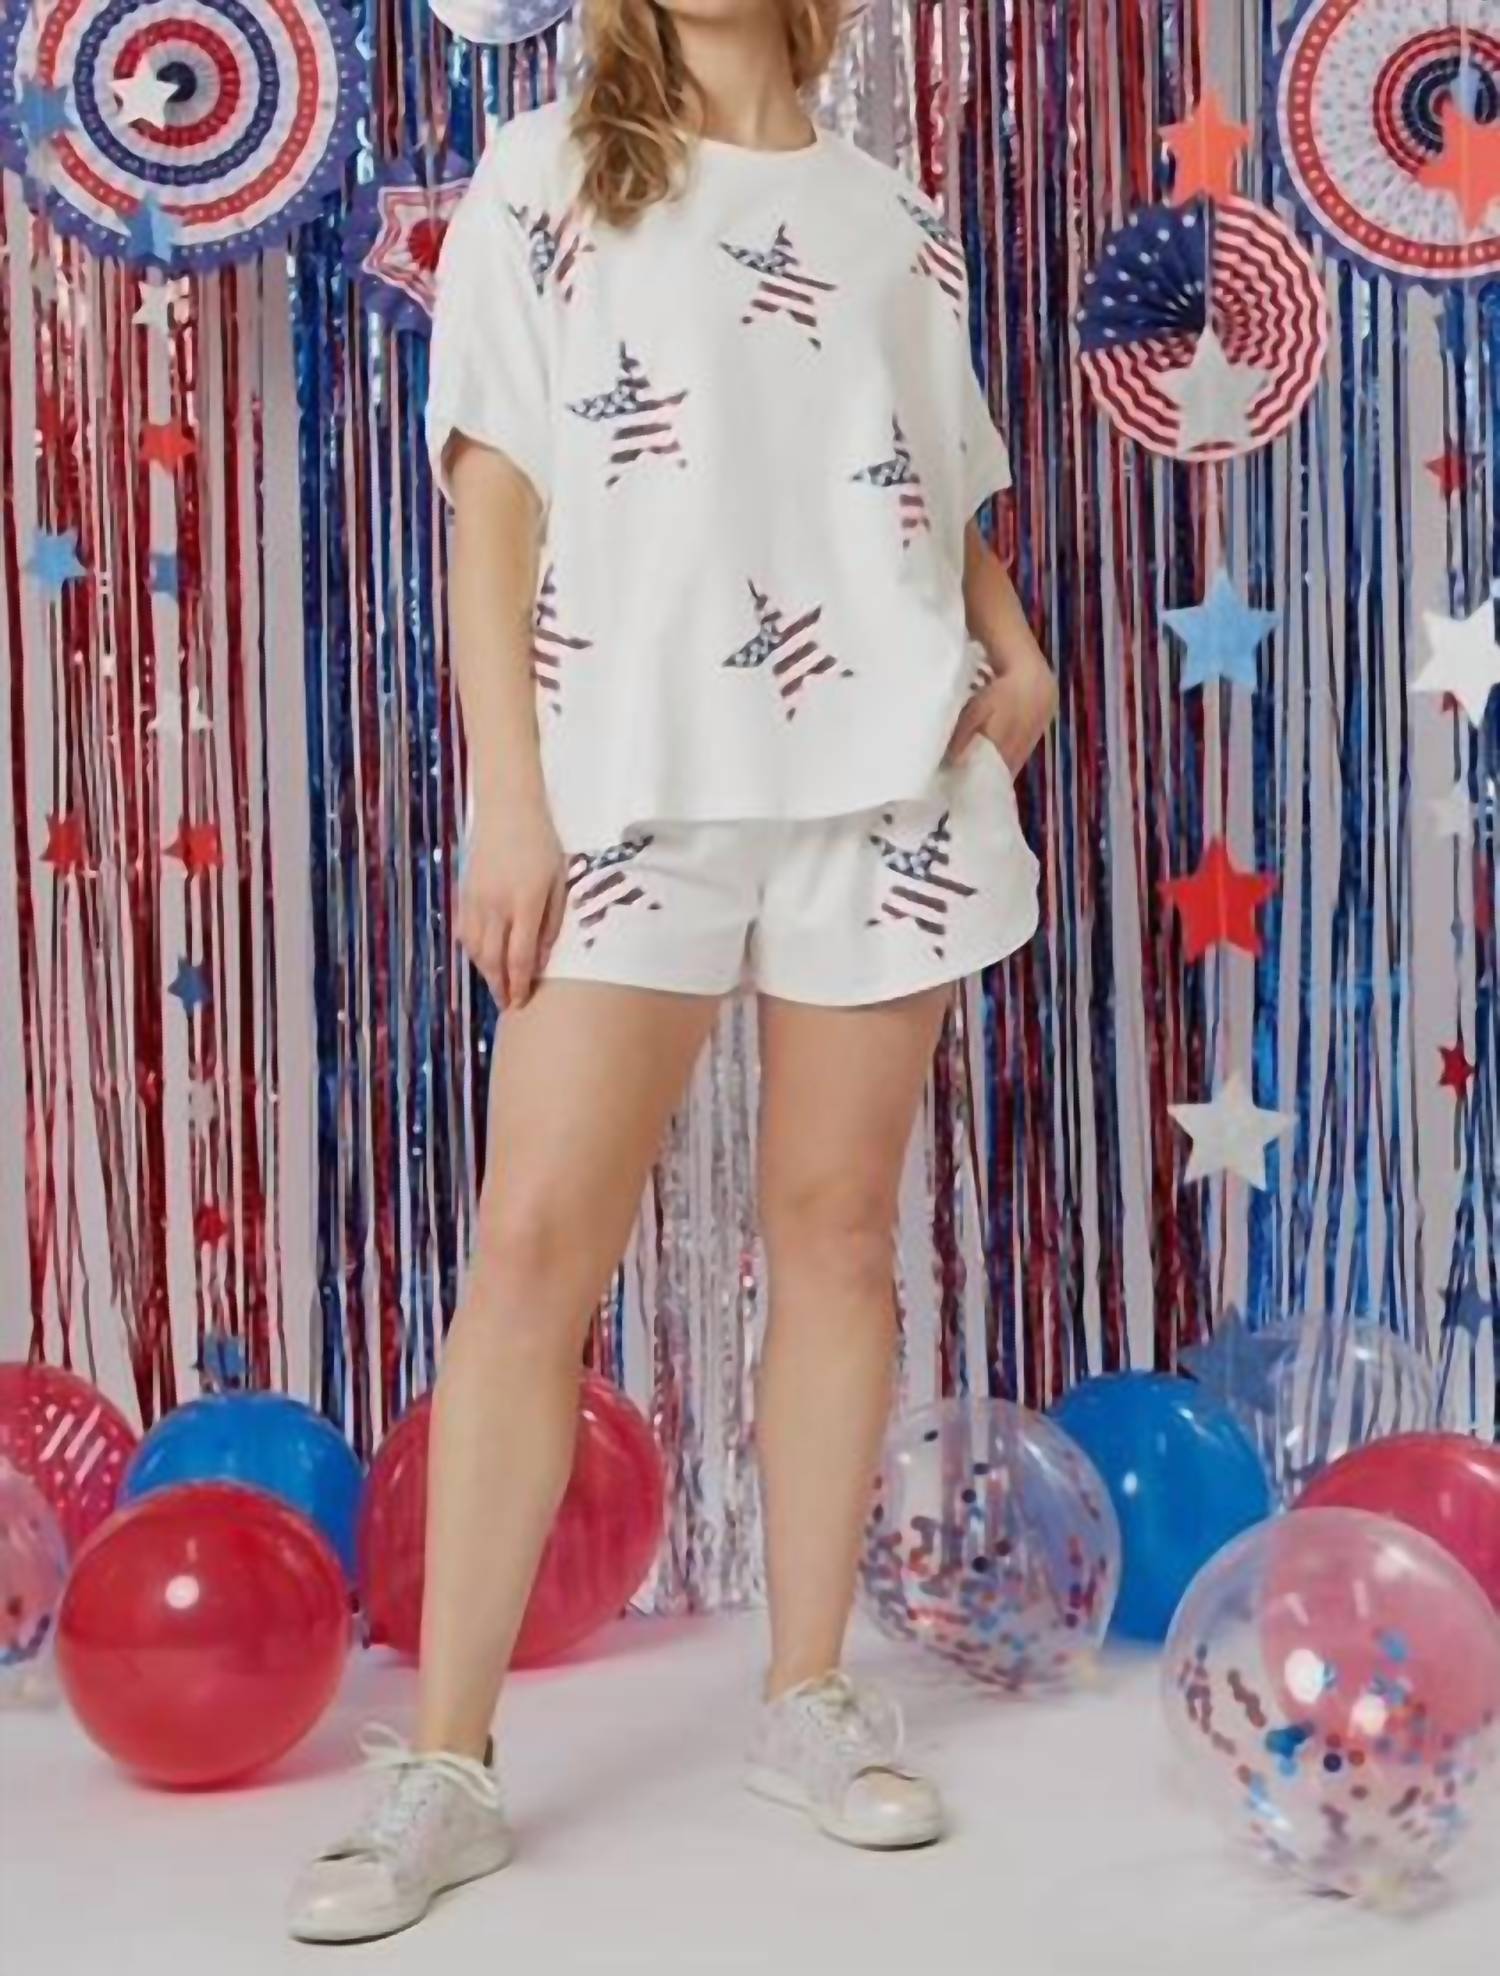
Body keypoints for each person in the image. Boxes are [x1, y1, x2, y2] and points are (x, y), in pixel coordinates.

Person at [289, 0, 1056, 1943]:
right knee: (535, 1247)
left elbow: (928, 483)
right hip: (631, 782)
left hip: (885, 783)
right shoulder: (544, 178)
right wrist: (510, 797)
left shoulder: (896, 216)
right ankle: (445, 1766)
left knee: (838, 1232)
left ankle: (806, 1693)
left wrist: (1016, 646)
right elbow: (495, 505)